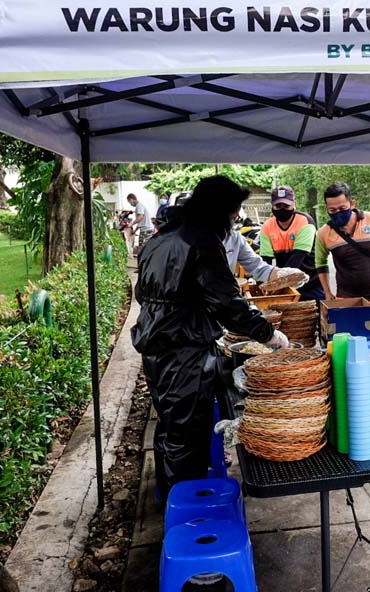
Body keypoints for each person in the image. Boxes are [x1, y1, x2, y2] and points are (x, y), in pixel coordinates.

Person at [132, 175, 289, 499]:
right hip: (185, 350)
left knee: (171, 424)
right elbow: (226, 302)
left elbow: (142, 293)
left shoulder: (159, 240)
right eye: (233, 212)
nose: (235, 218)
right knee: (188, 435)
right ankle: (187, 507)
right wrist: (268, 334)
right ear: (218, 210)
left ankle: (168, 495)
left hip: (156, 346)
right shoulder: (202, 241)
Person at [315, 182, 370, 300]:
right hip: (346, 299)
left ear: (352, 204)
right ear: (327, 209)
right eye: (332, 210)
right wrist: (327, 292)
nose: (338, 213)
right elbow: (320, 264)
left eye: (342, 208)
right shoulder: (323, 233)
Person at [259, 185, 324, 301]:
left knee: (316, 311)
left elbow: (297, 258)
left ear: (294, 204)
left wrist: (277, 283)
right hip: (286, 285)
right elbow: (265, 259)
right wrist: (264, 281)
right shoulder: (267, 227)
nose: (282, 209)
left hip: (311, 284)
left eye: (286, 206)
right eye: (278, 206)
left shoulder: (305, 222)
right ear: (272, 206)